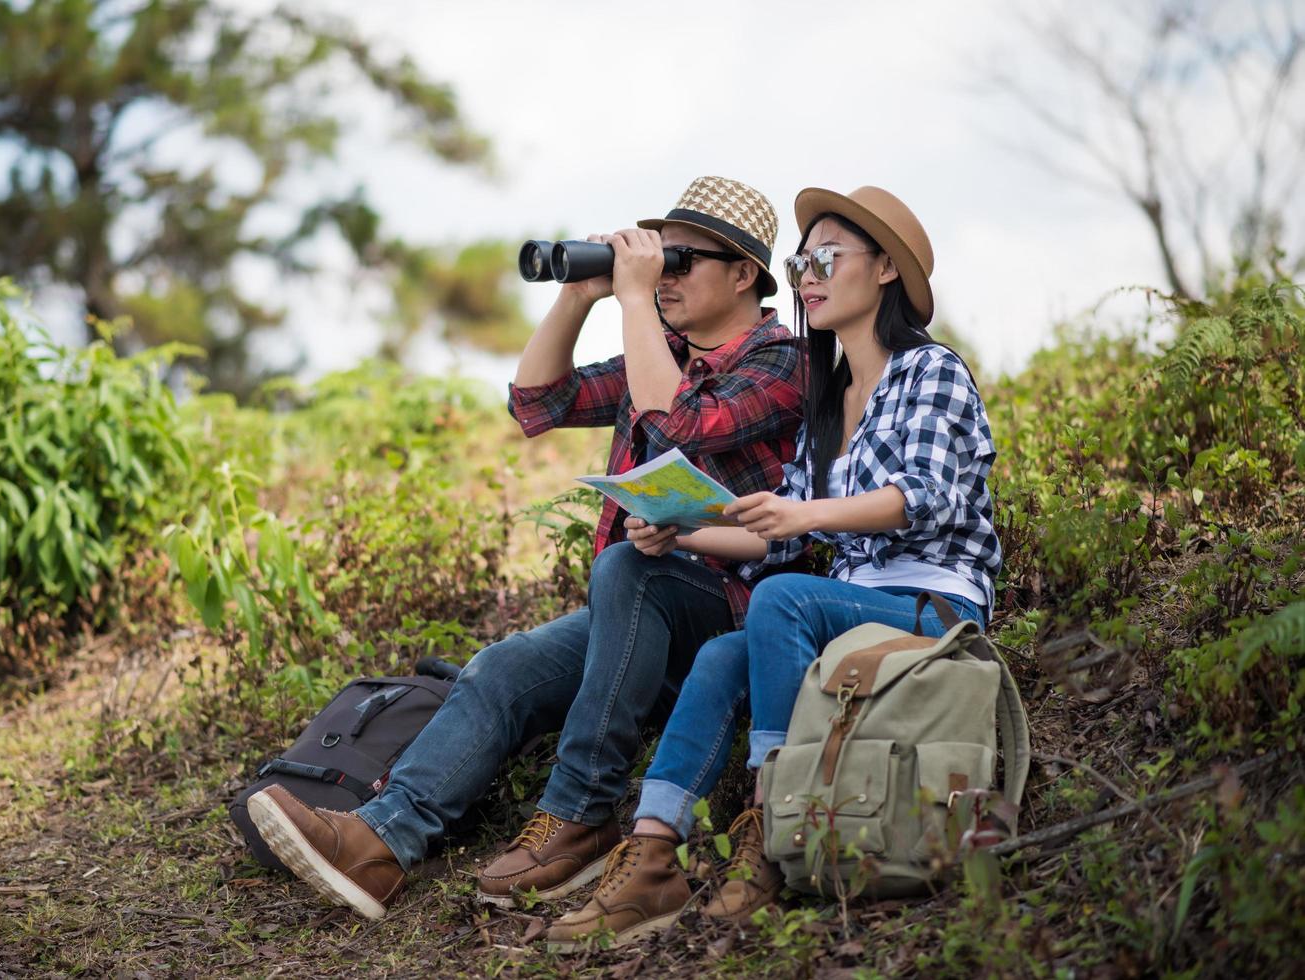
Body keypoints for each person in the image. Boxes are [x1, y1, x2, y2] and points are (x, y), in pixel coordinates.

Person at [246, 177, 807, 919]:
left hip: (734, 619)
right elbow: (539, 404)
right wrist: (579, 295)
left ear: (743, 275)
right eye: (657, 262)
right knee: (505, 667)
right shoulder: (660, 351)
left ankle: (580, 813)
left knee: (627, 567)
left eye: (681, 261)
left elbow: (680, 424)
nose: (662, 277)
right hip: (639, 614)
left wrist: (634, 301)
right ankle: (379, 844)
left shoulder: (782, 360)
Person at [545, 185, 1002, 949]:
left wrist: (809, 515)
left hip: (933, 608)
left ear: (885, 269)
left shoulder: (931, 372)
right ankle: (653, 851)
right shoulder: (827, 398)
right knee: (725, 654)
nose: (806, 276)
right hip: (849, 607)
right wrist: (679, 529)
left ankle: (771, 820)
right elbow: (773, 534)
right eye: (800, 263)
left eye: (825, 258)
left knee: (783, 600)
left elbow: (920, 497)